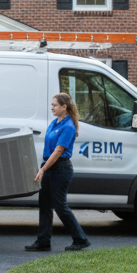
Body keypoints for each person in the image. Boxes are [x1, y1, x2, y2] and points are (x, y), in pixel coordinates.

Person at [26, 92, 90, 253]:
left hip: (60, 169)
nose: (52, 107)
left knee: (60, 205)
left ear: (64, 107)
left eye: (55, 105)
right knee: (45, 205)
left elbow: (58, 150)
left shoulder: (68, 126)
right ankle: (43, 242)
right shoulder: (55, 123)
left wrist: (43, 169)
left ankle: (80, 239)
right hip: (49, 166)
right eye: (52, 104)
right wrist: (43, 167)